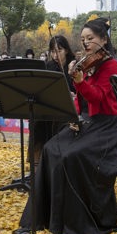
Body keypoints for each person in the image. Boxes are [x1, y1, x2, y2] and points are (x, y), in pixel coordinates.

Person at [18, 17, 117, 234]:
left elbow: (97, 98)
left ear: (104, 39)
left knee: (71, 155)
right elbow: (83, 103)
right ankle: (46, 217)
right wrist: (73, 114)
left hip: (109, 126)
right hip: (89, 122)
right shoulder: (89, 64)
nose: (86, 43)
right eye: (83, 39)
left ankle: (76, 221)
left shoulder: (111, 65)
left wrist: (79, 81)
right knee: (50, 148)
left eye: (91, 38)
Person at [29, 35, 77, 167]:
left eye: (59, 50)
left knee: (58, 121)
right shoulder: (49, 65)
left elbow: (79, 88)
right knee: (37, 119)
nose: (55, 55)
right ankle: (37, 159)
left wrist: (73, 94)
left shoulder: (74, 64)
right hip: (51, 105)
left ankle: (55, 158)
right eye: (52, 51)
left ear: (66, 50)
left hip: (69, 107)